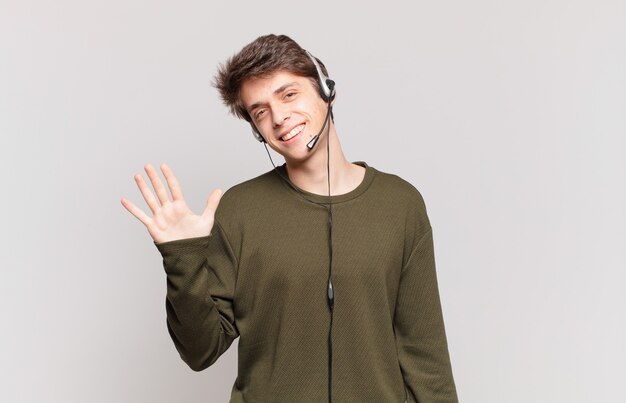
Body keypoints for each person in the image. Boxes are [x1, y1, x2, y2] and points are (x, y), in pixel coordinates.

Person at [121, 34, 458, 403]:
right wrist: (181, 256)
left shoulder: (400, 204)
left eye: (289, 94)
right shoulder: (240, 209)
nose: (279, 117)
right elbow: (200, 351)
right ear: (256, 130)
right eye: (260, 111)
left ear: (327, 91)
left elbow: (426, 355)